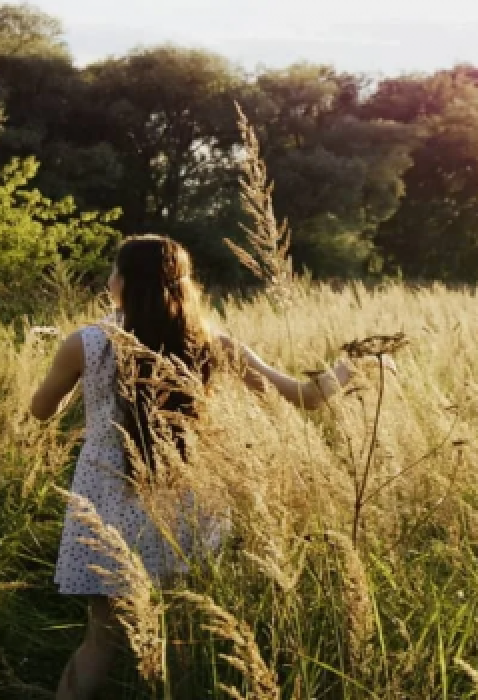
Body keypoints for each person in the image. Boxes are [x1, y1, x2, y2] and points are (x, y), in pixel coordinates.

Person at [29, 234, 391, 700]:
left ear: (125, 283)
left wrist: (82, 390)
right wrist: (352, 363)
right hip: (184, 502)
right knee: (184, 631)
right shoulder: (211, 344)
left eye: (114, 271)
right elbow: (307, 396)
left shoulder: (86, 343)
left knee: (102, 637)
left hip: (107, 500)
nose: (109, 279)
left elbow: (41, 410)